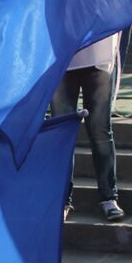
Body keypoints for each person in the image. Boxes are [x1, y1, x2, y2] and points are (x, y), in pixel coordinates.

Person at [53, 34, 126, 222]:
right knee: (61, 134)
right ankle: (62, 200)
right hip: (62, 55)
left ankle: (109, 197)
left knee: (100, 130)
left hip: (99, 56)